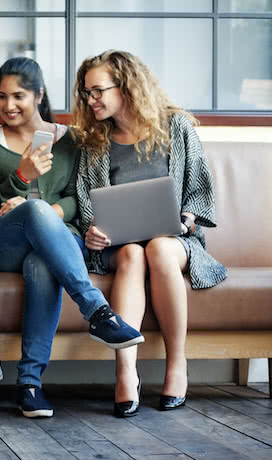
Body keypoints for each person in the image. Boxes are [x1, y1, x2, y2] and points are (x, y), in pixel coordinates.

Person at [0, 57, 143, 418]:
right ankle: (97, 311)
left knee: (42, 261)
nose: (8, 106)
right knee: (33, 213)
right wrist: (20, 180)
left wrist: (52, 211)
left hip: (58, 245)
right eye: (1, 96)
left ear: (39, 95)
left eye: (18, 95)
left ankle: (30, 384)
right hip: (3, 240)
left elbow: (81, 194)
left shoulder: (73, 141)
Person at [72, 50, 226, 417]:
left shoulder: (177, 127)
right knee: (132, 253)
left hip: (175, 241)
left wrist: (186, 220)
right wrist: (92, 233)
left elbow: (200, 192)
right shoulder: (95, 140)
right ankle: (125, 373)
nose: (91, 100)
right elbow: (86, 203)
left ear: (125, 86)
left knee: (157, 248)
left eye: (98, 91)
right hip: (119, 247)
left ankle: (177, 365)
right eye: (86, 92)